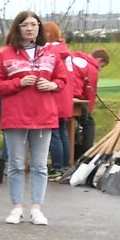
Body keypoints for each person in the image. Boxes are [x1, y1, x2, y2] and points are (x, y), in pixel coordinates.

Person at [0, 11, 66, 224]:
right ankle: (16, 208)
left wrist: (52, 85)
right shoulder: (5, 54)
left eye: (34, 24)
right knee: (16, 164)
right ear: (17, 28)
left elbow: (63, 79)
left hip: (44, 116)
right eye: (25, 24)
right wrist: (17, 83)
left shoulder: (50, 53)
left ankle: (37, 208)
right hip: (15, 116)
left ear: (39, 28)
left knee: (40, 165)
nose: (30, 28)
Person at [42, 22, 76, 179]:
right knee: (62, 133)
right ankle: (65, 165)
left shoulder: (50, 51)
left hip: (54, 96)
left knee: (54, 134)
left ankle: (56, 167)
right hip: (66, 97)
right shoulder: (65, 51)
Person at [72, 48, 108, 160]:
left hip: (61, 95)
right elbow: (90, 92)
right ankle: (86, 153)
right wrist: (89, 112)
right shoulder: (92, 68)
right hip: (74, 97)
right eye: (102, 66)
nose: (100, 69)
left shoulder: (75, 58)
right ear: (100, 60)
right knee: (88, 123)